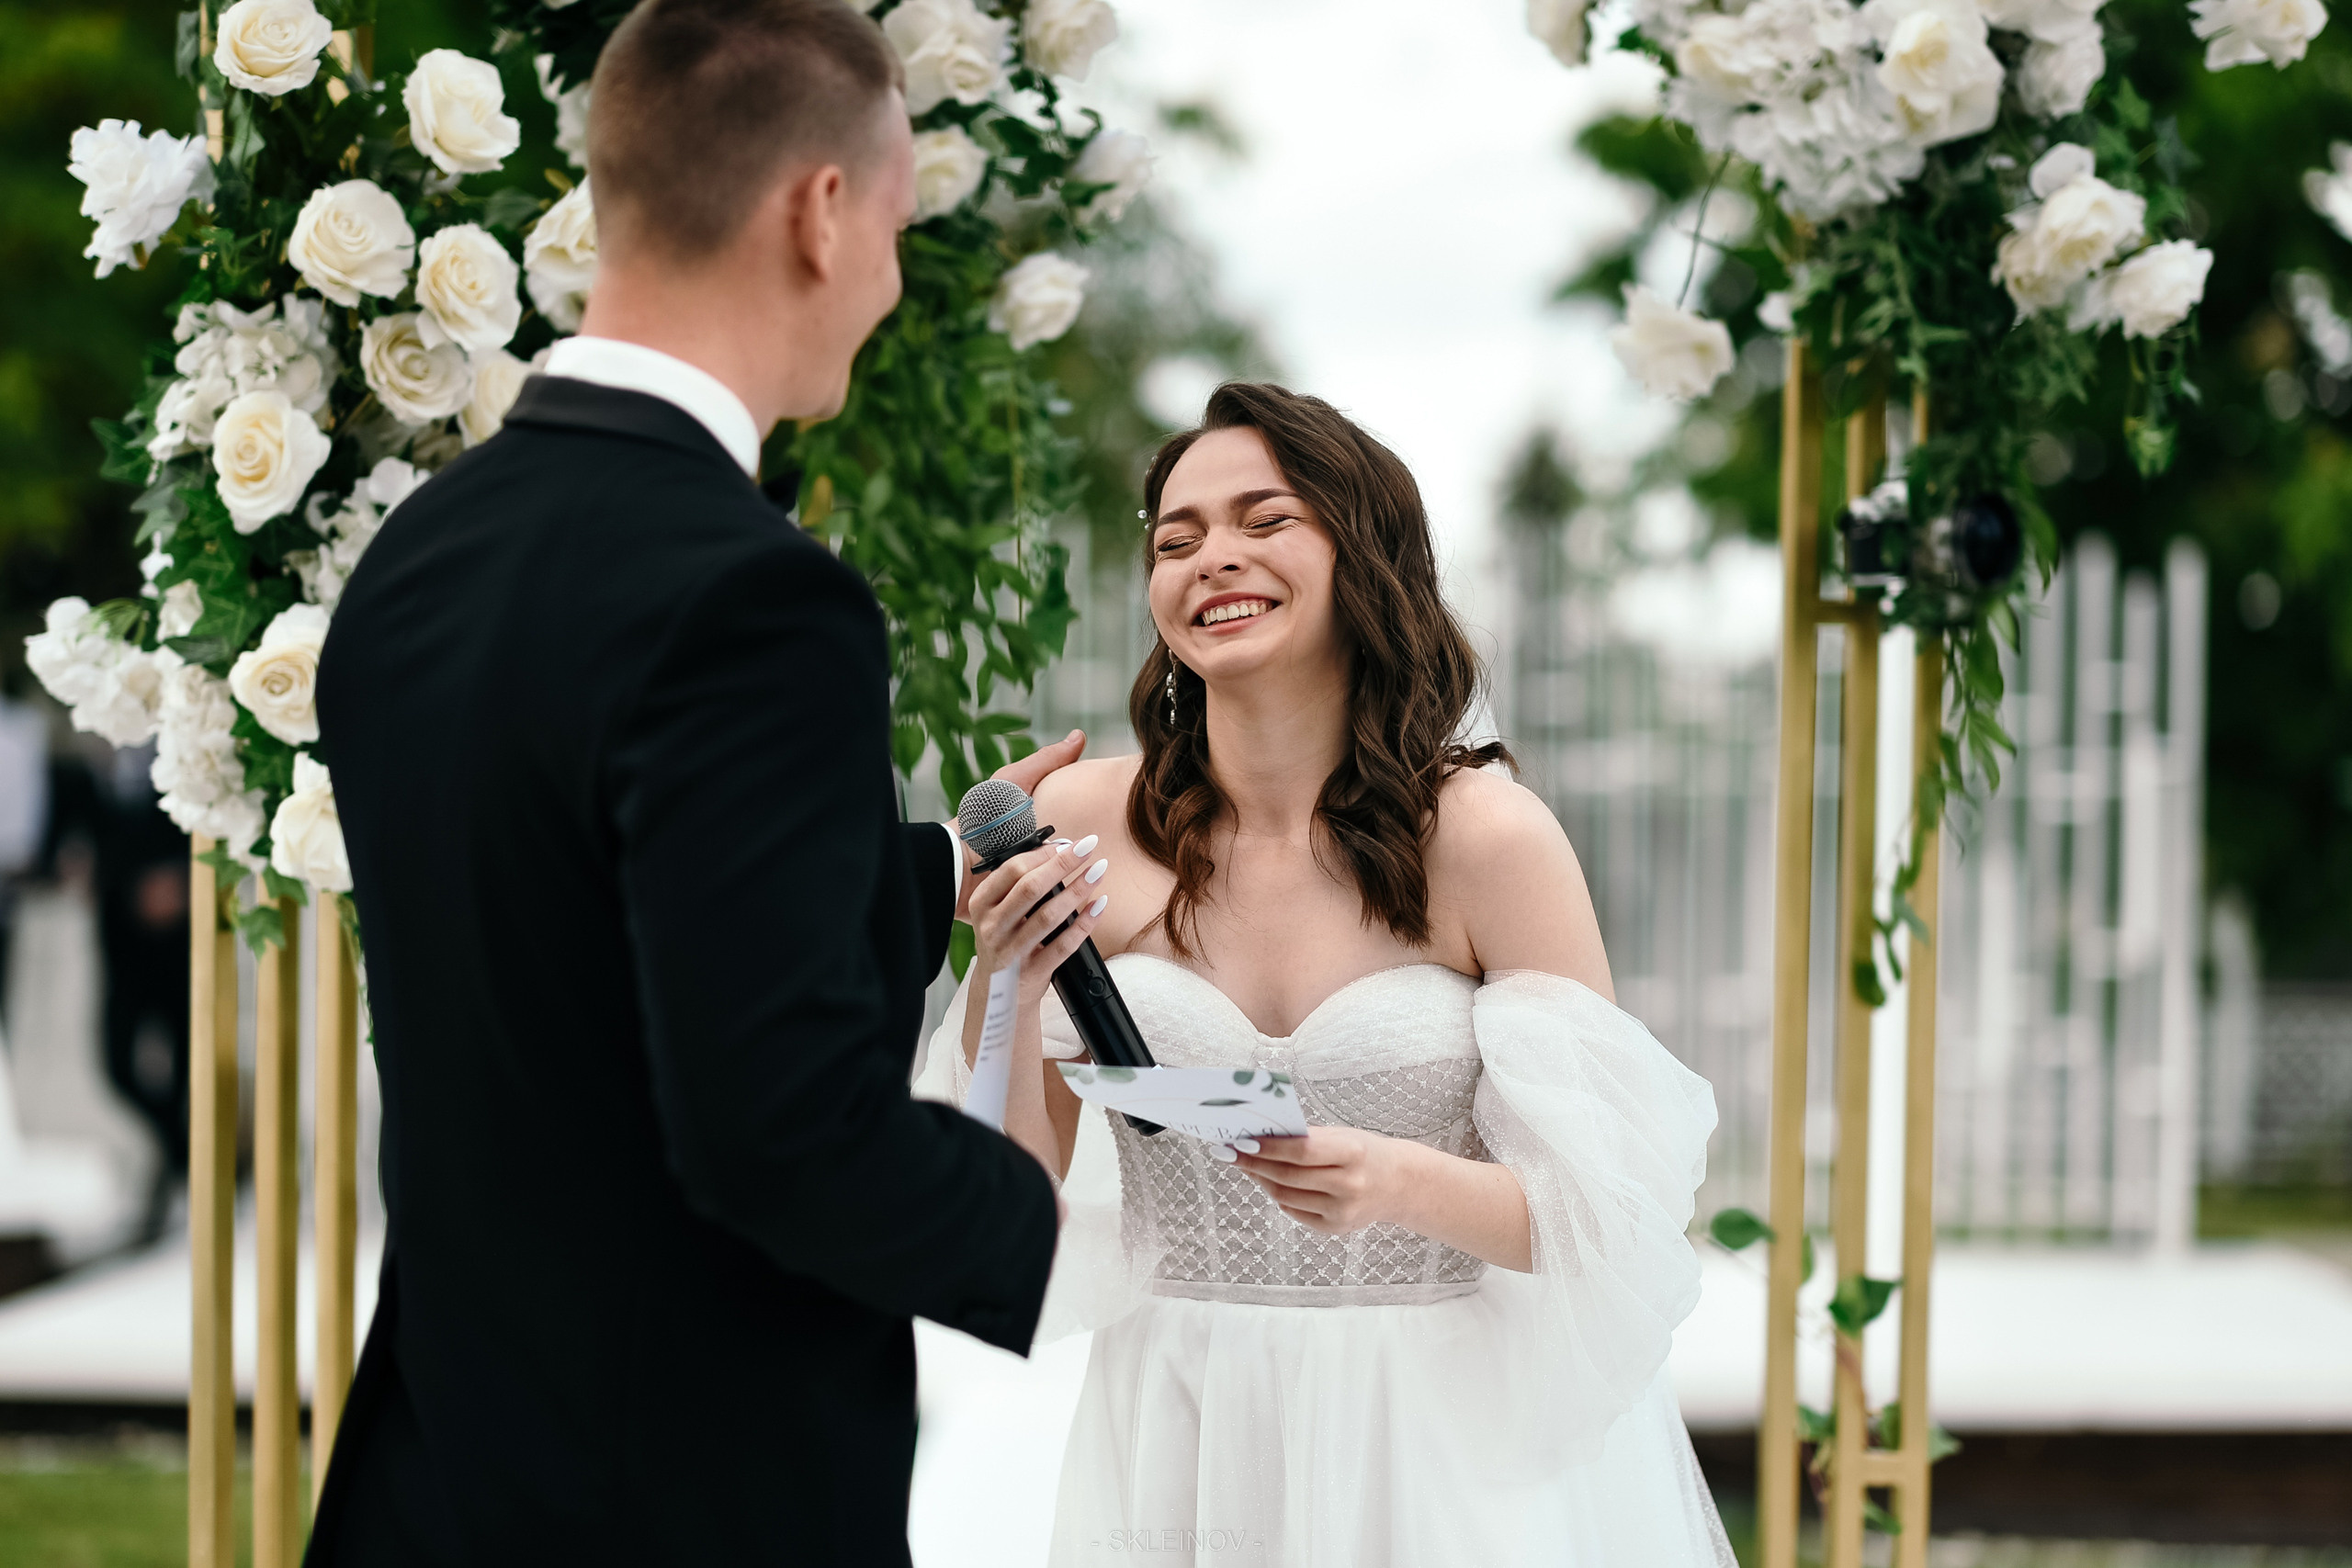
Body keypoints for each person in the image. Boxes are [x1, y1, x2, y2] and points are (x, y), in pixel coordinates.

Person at [309, 3, 1095, 1563]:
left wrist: (934, 868)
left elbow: (573, 931)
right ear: (820, 211)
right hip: (679, 1490)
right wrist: (1058, 1236)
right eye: (897, 222)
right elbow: (777, 1132)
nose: (888, 278)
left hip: (448, 1472)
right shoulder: (755, 600)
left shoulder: (417, 560)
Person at [927, 383, 1736, 1566]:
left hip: (1431, 1437)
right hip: (1175, 1423)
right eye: (1177, 537)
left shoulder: (1487, 839)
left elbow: (1611, 1223)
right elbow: (1015, 1188)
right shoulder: (1077, 821)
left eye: (1266, 520)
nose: (1214, 557)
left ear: (1364, 558)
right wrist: (1004, 973)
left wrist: (1403, 1184)